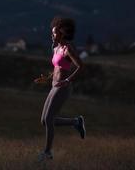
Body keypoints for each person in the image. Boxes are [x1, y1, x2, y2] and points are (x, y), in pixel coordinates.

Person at [34, 16, 86, 161]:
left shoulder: (67, 48)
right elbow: (58, 67)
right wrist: (47, 78)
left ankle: (47, 152)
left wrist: (67, 80)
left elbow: (80, 66)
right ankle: (76, 122)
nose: (52, 35)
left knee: (49, 119)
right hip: (53, 86)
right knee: (44, 121)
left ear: (62, 33)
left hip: (63, 87)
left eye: (54, 33)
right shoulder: (55, 48)